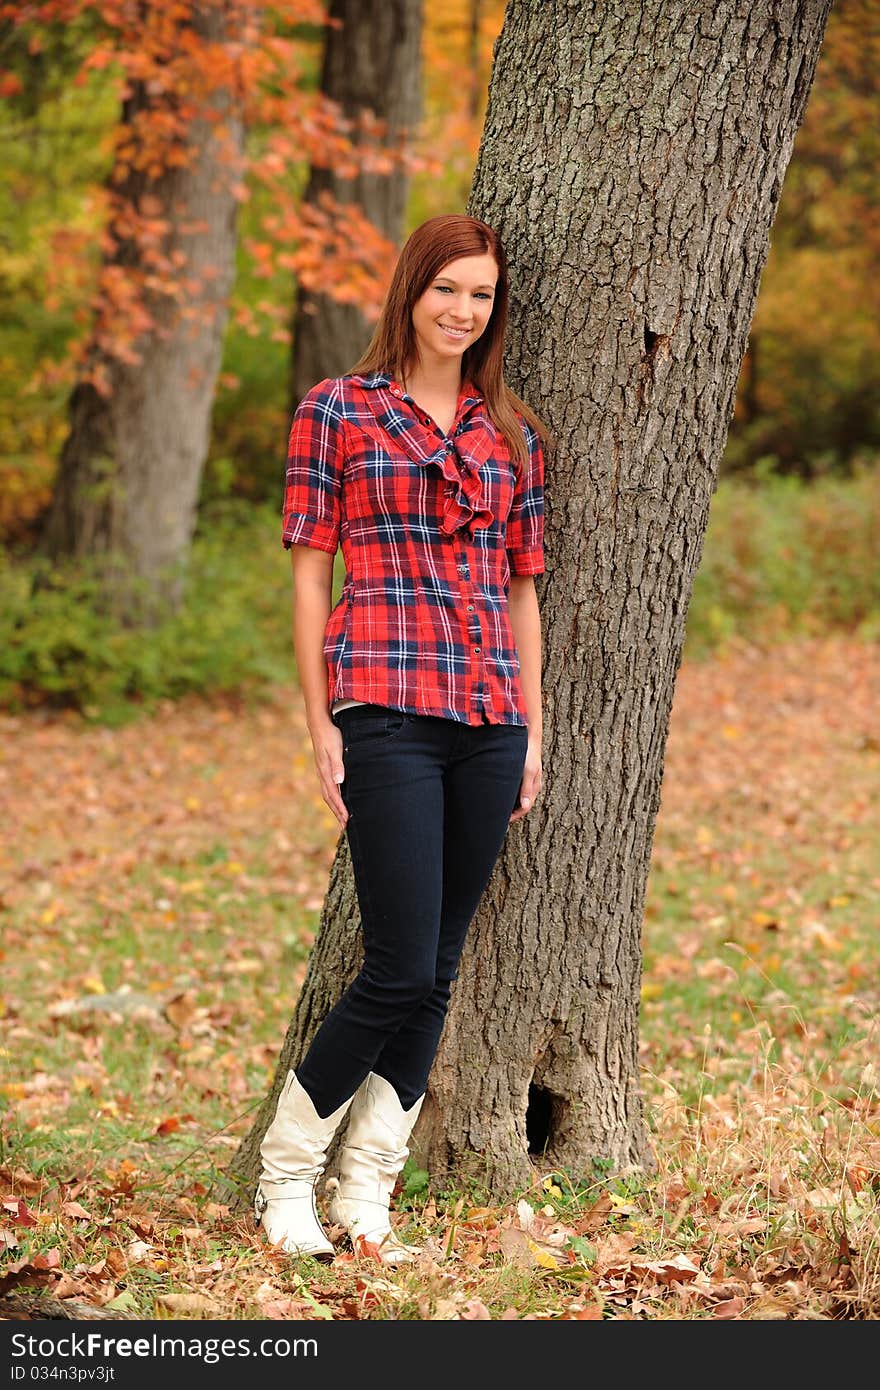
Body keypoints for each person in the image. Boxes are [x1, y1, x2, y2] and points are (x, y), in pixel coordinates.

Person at [255, 213, 549, 1265]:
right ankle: (286, 1179)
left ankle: (365, 1188)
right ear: (410, 292)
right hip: (382, 708)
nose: (462, 311)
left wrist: (534, 728)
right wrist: (317, 718)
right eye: (447, 289)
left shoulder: (509, 433)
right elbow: (307, 571)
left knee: (438, 966)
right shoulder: (336, 410)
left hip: (486, 719)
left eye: (481, 295)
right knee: (392, 963)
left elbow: (522, 593)